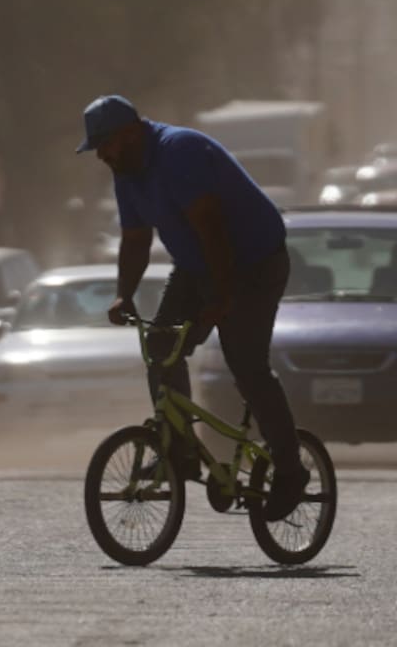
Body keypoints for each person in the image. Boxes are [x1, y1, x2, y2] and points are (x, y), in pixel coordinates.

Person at [75, 94, 309, 522]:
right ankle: (178, 451)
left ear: (130, 133)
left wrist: (222, 300)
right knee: (161, 344)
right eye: (97, 149)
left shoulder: (179, 152)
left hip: (255, 264)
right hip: (198, 263)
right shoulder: (127, 173)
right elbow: (134, 240)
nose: (101, 156)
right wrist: (123, 294)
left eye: (105, 145)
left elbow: (213, 229)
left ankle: (291, 470)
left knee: (247, 366)